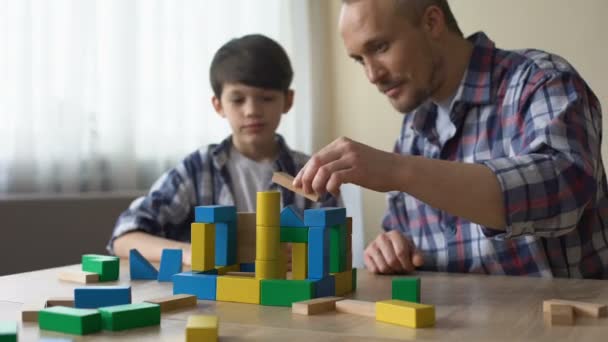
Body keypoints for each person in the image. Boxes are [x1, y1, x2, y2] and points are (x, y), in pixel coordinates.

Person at [294, 0, 608, 278]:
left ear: (432, 22)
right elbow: (399, 231)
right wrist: (392, 247)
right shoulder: (413, 129)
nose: (373, 75)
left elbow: (566, 189)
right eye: (360, 60)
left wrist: (398, 171)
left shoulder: (541, 80)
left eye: (380, 47)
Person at [109, 34, 339, 265]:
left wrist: (309, 254)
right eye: (238, 100)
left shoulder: (312, 173)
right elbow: (124, 237)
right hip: (214, 298)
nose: (251, 110)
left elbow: (335, 249)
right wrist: (197, 252)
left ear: (288, 101)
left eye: (266, 98)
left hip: (288, 296)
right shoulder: (197, 169)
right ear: (218, 105)